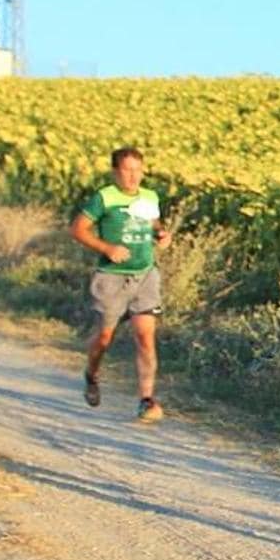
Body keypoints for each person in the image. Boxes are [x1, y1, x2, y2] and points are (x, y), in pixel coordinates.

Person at [69, 147, 173, 422]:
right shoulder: (104, 197)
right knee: (104, 338)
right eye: (127, 170)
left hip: (145, 274)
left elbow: (153, 223)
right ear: (115, 172)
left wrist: (161, 235)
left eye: (137, 170)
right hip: (111, 277)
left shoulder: (149, 196)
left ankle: (146, 400)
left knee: (145, 337)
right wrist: (106, 247)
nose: (133, 176)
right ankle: (91, 374)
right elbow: (78, 229)